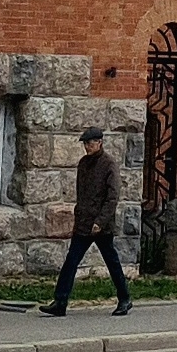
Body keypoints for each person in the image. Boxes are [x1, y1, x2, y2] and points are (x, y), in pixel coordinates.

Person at [44, 126, 132, 317]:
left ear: (99, 142)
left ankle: (124, 298)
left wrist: (100, 221)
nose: (87, 147)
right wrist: (79, 217)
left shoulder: (109, 164)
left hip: (101, 225)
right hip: (84, 223)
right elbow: (81, 194)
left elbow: (112, 197)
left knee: (112, 262)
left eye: (90, 143)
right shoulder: (83, 164)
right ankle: (60, 301)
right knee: (71, 261)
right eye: (85, 143)